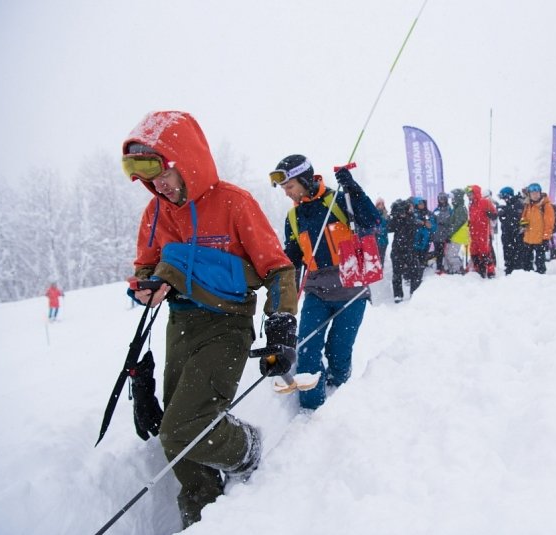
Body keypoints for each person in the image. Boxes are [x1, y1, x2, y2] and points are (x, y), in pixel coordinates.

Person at [122, 111, 299, 528]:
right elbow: (145, 265)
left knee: (182, 426)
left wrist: (281, 323)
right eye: (145, 173)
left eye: (162, 169)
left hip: (227, 325)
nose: (157, 182)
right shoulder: (154, 213)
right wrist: (146, 286)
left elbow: (278, 269)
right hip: (179, 324)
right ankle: (202, 510)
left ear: (185, 159)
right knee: (175, 427)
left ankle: (247, 448)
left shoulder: (234, 202)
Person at [271, 155, 380, 410]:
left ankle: (339, 396)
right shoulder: (294, 217)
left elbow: (373, 221)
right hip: (317, 290)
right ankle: (311, 410)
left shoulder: (339, 200)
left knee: (338, 354)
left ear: (306, 180)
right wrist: (282, 301)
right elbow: (293, 260)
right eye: (285, 189)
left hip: (351, 289)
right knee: (307, 351)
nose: (287, 194)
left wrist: (352, 186)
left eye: (290, 187)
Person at [388, 198, 423, 301]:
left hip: (410, 250)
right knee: (396, 273)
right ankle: (398, 295)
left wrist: (407, 216)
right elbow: (388, 228)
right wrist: (395, 216)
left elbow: (417, 223)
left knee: (415, 271)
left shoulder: (411, 218)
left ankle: (414, 292)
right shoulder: (396, 220)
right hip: (397, 249)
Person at [519, 183, 556, 274]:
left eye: (537, 193)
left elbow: (549, 223)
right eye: (533, 193)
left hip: (540, 239)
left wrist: (546, 237)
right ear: (529, 194)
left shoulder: (546, 205)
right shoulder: (528, 205)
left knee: (540, 263)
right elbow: (524, 218)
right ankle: (528, 278)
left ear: (540, 193)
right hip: (528, 238)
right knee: (526, 262)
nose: (535, 195)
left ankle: (540, 280)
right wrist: (523, 225)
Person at [465, 185, 497, 278]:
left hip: (483, 232)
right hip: (473, 233)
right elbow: (472, 216)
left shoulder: (485, 202)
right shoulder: (471, 204)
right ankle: (479, 269)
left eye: (470, 194)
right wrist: (470, 223)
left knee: (485, 252)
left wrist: (491, 214)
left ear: (475, 193)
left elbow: (495, 215)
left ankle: (490, 271)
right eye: (467, 195)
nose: (468, 196)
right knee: (474, 252)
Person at [497, 186, 525, 274]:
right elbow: (506, 221)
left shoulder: (518, 204)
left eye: (505, 197)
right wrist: (502, 215)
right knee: (508, 251)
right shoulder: (509, 205)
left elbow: (518, 218)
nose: (504, 200)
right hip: (507, 234)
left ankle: (517, 269)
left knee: (517, 252)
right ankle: (509, 267)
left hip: (516, 234)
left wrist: (505, 212)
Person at [431, 192, 453, 273]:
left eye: (443, 198)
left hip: (446, 234)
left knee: (447, 252)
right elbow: (432, 222)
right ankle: (439, 267)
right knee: (438, 252)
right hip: (437, 235)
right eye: (440, 198)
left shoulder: (450, 210)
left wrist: (449, 233)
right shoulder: (436, 210)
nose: (442, 200)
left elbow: (452, 222)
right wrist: (434, 231)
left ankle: (448, 267)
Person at [412, 197, 436, 269]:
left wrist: (431, 225)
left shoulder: (429, 213)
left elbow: (434, 225)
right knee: (417, 252)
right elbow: (412, 221)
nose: (422, 205)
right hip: (417, 237)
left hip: (427, 237)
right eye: (420, 203)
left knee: (424, 252)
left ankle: (423, 263)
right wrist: (422, 222)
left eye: (423, 203)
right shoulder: (413, 213)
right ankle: (418, 265)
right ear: (416, 204)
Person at [373, 197, 390, 263]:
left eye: (382, 204)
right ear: (376, 205)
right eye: (379, 204)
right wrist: (377, 229)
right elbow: (373, 226)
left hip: (384, 240)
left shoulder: (386, 214)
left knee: (382, 258)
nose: (381, 206)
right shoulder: (374, 214)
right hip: (377, 240)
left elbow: (389, 227)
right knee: (377, 258)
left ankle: (381, 270)